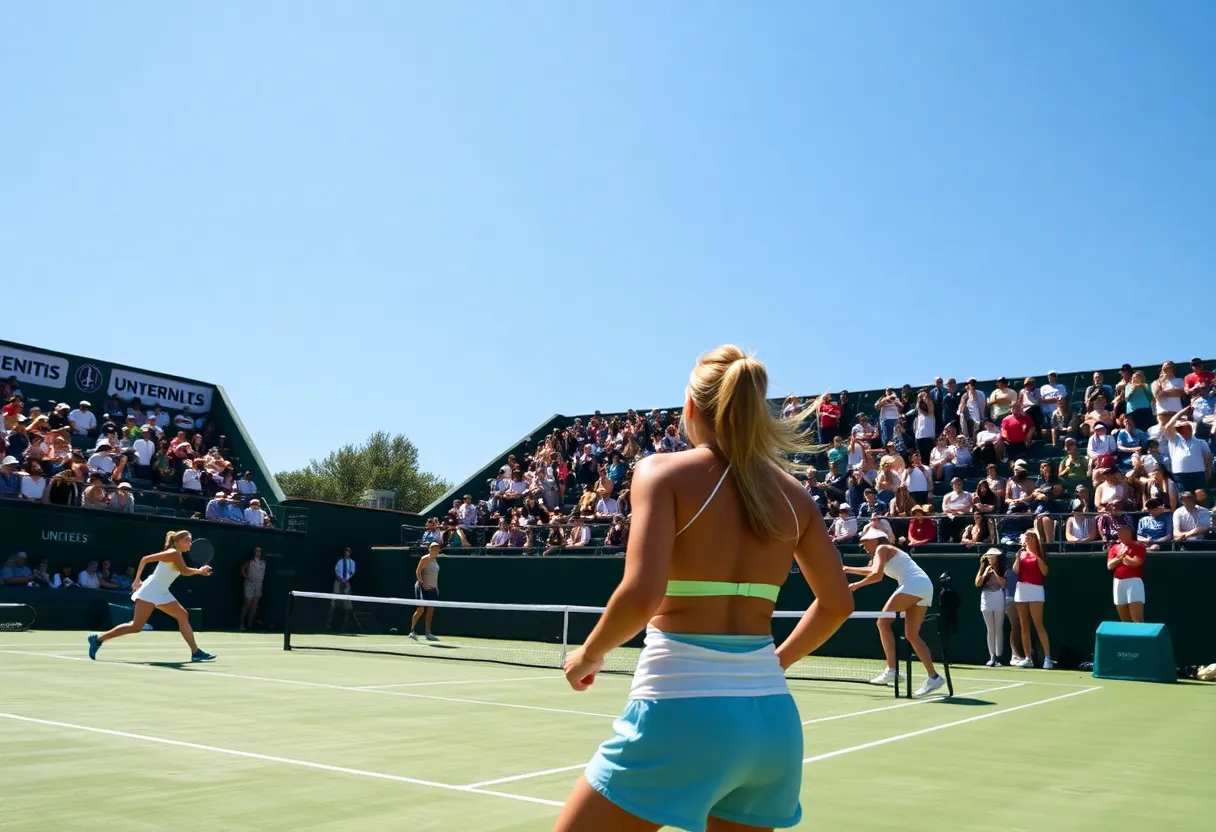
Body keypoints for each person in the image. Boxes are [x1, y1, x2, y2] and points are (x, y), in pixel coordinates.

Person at [554, 346, 853, 832]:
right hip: (774, 725)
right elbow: (838, 604)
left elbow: (641, 595)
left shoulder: (661, 472)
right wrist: (773, 664)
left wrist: (587, 656)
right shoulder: (796, 497)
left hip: (679, 712)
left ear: (691, 408)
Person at [88, 530, 215, 662]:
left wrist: (199, 571)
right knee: (136, 626)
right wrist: (136, 580)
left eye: (190, 540)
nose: (190, 543)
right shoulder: (172, 553)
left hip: (162, 591)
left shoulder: (177, 555)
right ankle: (97, 639)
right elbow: (146, 559)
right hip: (151, 590)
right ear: (177, 542)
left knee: (183, 615)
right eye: (187, 540)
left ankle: (195, 652)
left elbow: (184, 570)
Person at [845, 528, 946, 695]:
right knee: (912, 635)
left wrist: (855, 584)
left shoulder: (881, 548)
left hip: (914, 584)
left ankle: (892, 670)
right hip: (925, 587)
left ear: (876, 540)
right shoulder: (881, 553)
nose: (863, 546)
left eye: (865, 542)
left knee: (883, 622)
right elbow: (872, 571)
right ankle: (934, 677)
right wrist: (848, 570)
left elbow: (876, 575)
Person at [1012, 531, 1052, 669]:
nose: (1027, 539)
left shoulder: (1040, 554)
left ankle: (1048, 658)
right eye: (1026, 537)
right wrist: (1018, 557)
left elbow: (1045, 572)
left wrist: (1034, 555)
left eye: (1030, 537)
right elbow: (1016, 571)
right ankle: (1028, 658)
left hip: (1036, 590)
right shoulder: (1020, 554)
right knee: (1024, 625)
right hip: (1021, 589)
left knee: (1038, 625)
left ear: (1035, 540)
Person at [975, 548, 1007, 666]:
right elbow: (977, 583)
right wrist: (985, 573)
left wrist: (995, 574)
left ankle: (999, 657)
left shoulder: (1002, 569)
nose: (991, 559)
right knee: (990, 629)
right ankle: (992, 656)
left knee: (998, 628)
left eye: (993, 557)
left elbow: (1004, 584)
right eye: (989, 557)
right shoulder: (984, 568)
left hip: (998, 596)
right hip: (986, 598)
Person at [1107, 525, 1146, 623]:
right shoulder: (1114, 548)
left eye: (1123, 531)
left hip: (1134, 582)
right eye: (1119, 532)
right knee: (1124, 620)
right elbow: (1110, 566)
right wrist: (1121, 558)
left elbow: (1135, 563)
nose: (1120, 534)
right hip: (1118, 583)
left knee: (1137, 619)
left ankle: (1140, 638)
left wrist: (1124, 556)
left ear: (1129, 533)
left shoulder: (1138, 547)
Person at [409, 542, 441, 641]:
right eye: (434, 549)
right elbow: (418, 572)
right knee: (421, 609)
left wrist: (436, 587)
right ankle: (412, 631)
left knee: (430, 610)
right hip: (422, 588)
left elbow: (435, 577)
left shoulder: (435, 561)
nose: (436, 551)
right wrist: (423, 584)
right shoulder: (425, 559)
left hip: (432, 588)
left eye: (437, 549)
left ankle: (428, 633)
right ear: (430, 549)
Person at [327, 547, 356, 630]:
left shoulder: (352, 562)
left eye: (348, 552)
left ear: (350, 553)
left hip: (346, 583)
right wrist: (341, 580)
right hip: (338, 583)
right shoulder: (339, 561)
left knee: (348, 604)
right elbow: (336, 572)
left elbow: (352, 573)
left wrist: (346, 581)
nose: (346, 553)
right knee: (333, 603)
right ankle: (329, 623)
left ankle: (345, 624)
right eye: (345, 552)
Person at [240, 547, 266, 631]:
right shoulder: (250, 562)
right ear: (254, 552)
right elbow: (243, 569)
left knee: (254, 606)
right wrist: (246, 576)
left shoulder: (263, 563)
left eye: (259, 551)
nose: (258, 553)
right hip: (249, 584)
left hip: (258, 585)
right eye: (256, 551)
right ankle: (241, 624)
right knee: (247, 603)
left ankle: (250, 625)